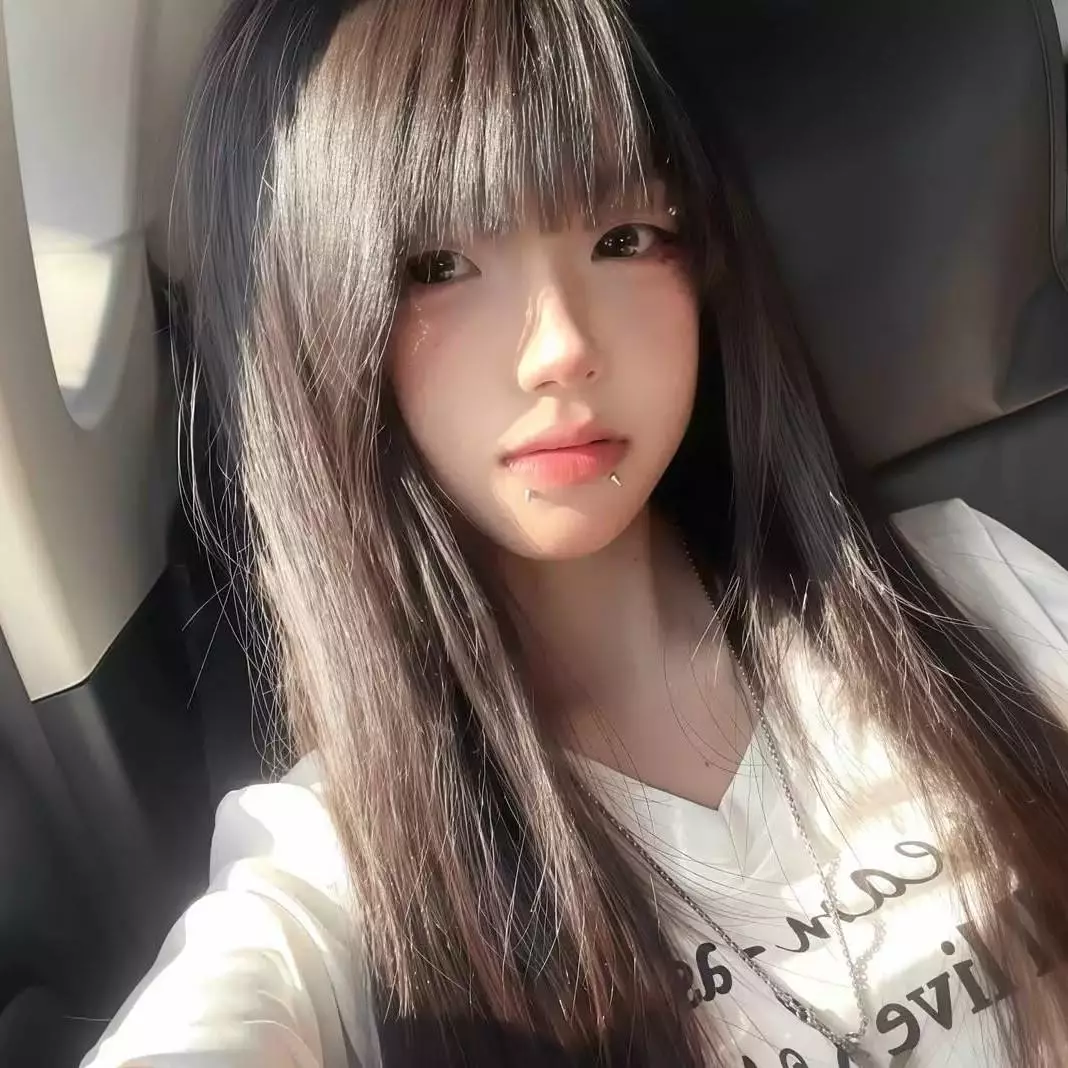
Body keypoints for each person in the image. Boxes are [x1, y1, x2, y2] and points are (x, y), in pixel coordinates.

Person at [81, 0, 1068, 1066]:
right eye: (436, 265)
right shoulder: (339, 865)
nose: (558, 346)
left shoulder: (963, 591)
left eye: (623, 238)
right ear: (309, 319)